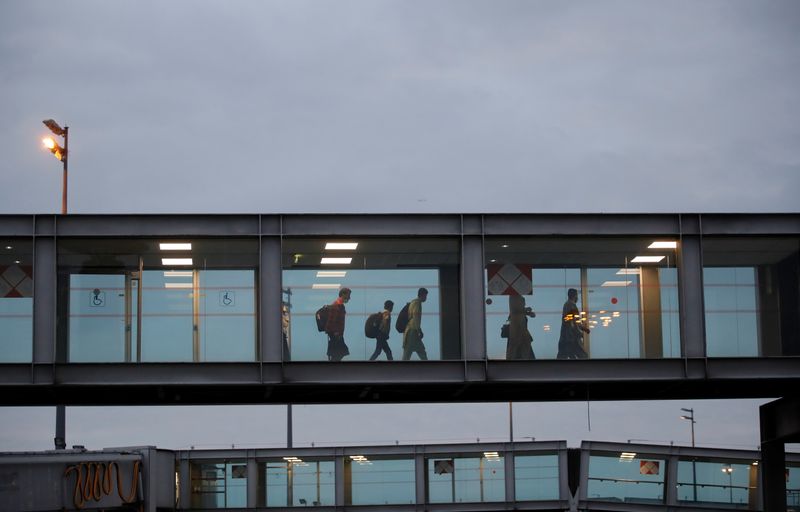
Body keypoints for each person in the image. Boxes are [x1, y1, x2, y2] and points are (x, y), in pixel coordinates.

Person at [557, 288, 589, 359]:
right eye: (577, 295)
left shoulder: (568, 305)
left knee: (562, 357)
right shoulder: (571, 305)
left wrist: (583, 328)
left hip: (566, 338)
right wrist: (579, 332)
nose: (577, 297)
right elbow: (570, 321)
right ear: (574, 296)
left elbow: (572, 320)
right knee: (583, 356)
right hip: (571, 338)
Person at [324, 287, 351, 362]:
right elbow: (332, 320)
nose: (349, 298)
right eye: (348, 295)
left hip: (337, 333)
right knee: (340, 353)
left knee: (337, 353)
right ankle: (332, 370)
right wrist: (336, 333)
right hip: (336, 334)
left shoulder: (339, 305)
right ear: (343, 294)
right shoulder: (337, 305)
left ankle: (333, 370)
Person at [506, 295, 536, 360]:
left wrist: (528, 312)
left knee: (522, 344)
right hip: (517, 329)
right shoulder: (513, 297)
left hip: (520, 329)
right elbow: (516, 310)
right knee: (515, 345)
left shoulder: (520, 314)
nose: (524, 304)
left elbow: (518, 310)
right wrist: (527, 311)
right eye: (523, 303)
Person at [402, 287, 429, 360]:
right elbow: (415, 317)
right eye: (426, 296)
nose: (426, 298)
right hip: (412, 331)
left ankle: (428, 368)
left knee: (421, 351)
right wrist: (419, 330)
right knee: (407, 354)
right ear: (422, 295)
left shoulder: (413, 302)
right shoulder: (417, 303)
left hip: (412, 330)